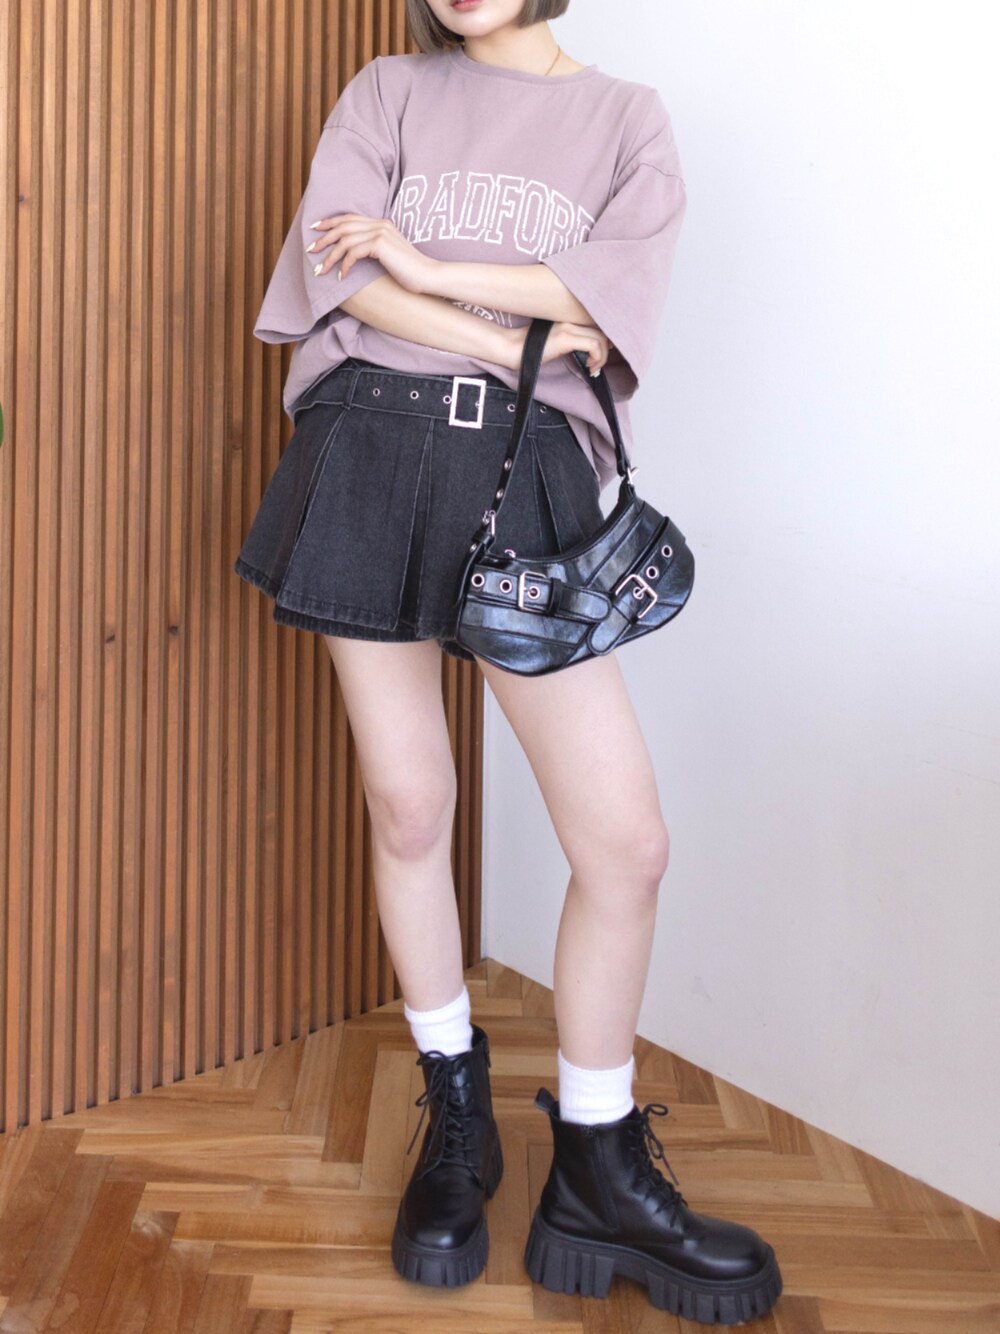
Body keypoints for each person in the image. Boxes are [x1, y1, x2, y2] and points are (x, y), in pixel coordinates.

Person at [233, 0, 782, 1324]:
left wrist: (421, 260)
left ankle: (594, 1162)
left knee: (624, 845)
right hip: (368, 443)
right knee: (409, 803)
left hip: (525, 465)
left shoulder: (624, 121)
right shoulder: (387, 89)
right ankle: (456, 1107)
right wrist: (493, 329)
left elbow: (600, 305)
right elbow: (336, 268)